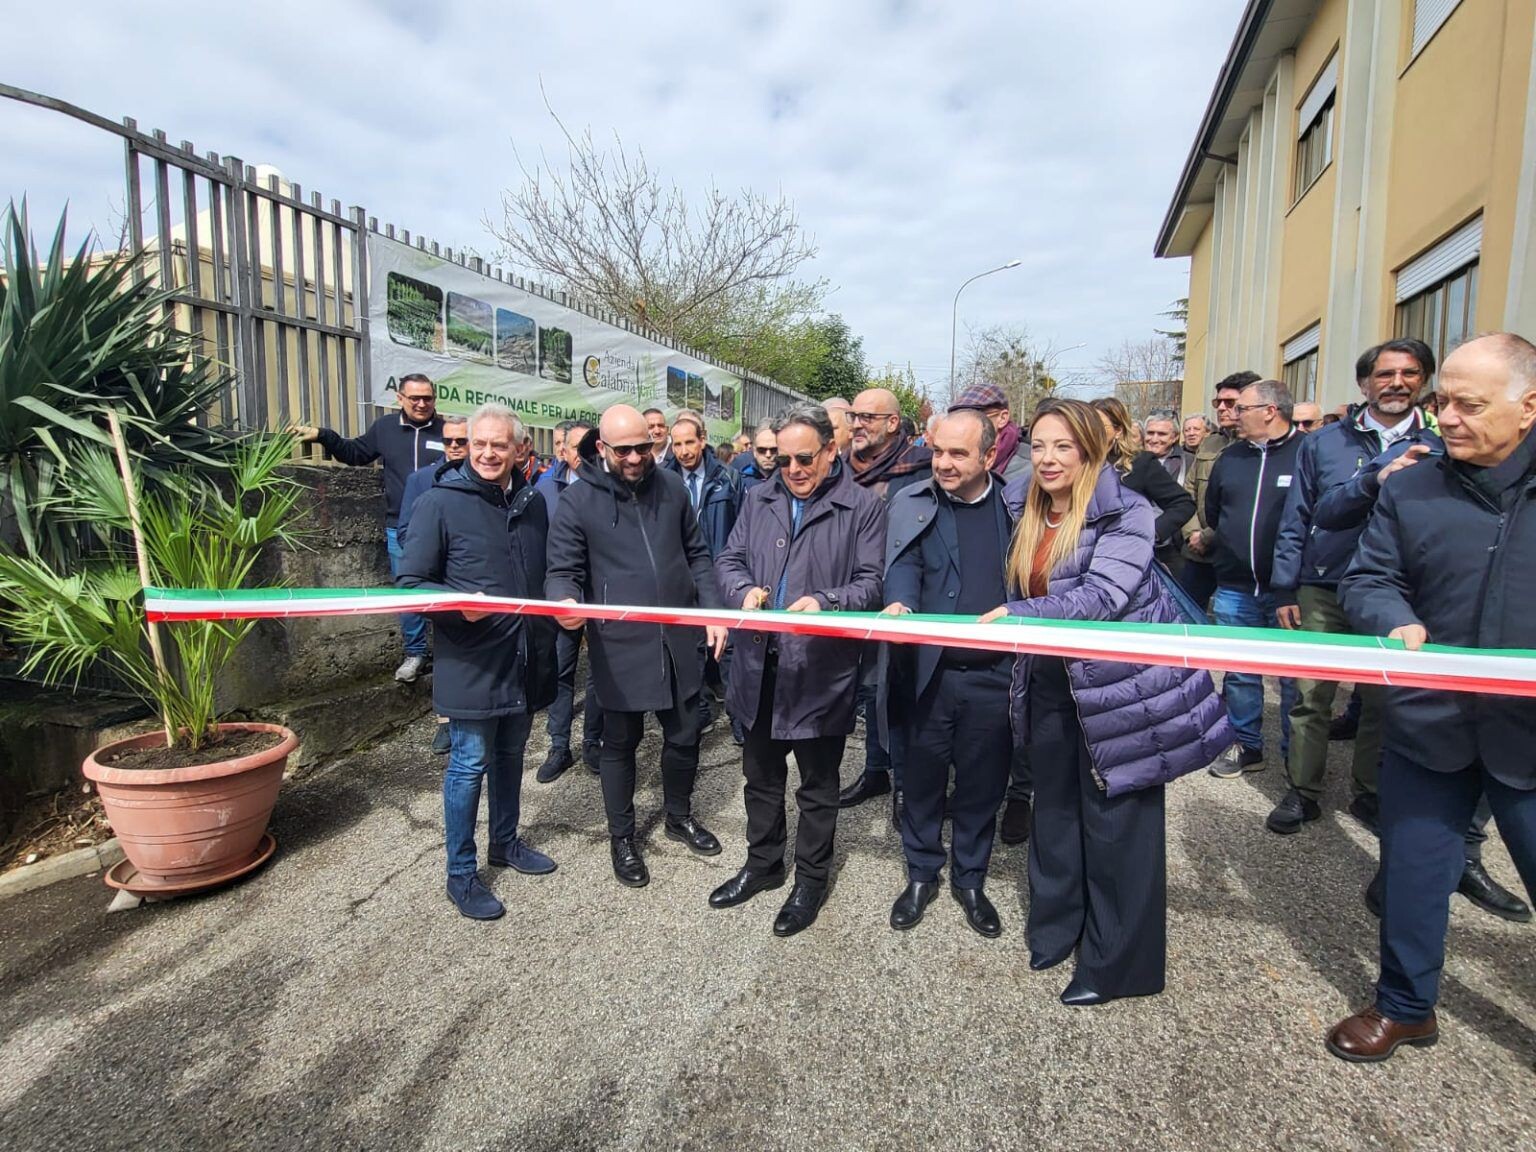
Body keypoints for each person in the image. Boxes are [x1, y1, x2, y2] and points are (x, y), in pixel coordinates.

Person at [1327, 333, 1536, 1063]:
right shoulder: (1413, 485)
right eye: (1442, 400)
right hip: (1431, 721)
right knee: (1412, 877)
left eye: (1469, 404)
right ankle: (1405, 1007)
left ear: (1528, 406)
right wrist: (1393, 620)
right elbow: (1366, 577)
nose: (1445, 416)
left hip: (1527, 733)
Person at [981, 398, 1231, 1004]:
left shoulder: (1128, 513)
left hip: (1122, 691)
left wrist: (1018, 615)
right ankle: (1057, 926)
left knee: (1119, 824)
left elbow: (1101, 596)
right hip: (1050, 681)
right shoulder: (1020, 506)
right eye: (1038, 445)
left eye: (1063, 446)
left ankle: (1119, 965)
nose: (1047, 458)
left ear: (1091, 448)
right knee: (1056, 812)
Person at [711, 402, 885, 936]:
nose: (793, 470)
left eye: (805, 458)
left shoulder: (863, 507)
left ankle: (810, 880)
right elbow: (729, 559)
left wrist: (828, 601)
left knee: (817, 785)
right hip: (758, 664)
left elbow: (873, 581)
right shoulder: (758, 496)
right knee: (760, 778)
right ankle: (763, 865)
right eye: (782, 460)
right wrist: (743, 592)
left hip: (817, 670)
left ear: (832, 450)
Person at [545, 404, 727, 889]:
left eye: (643, 447)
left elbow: (698, 554)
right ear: (601, 448)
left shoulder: (670, 488)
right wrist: (563, 600)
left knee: (685, 735)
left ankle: (678, 815)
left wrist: (711, 612)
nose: (634, 458)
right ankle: (622, 837)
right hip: (619, 644)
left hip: (679, 638)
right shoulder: (578, 500)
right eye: (622, 449)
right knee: (620, 745)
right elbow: (562, 570)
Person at [1269, 340, 1441, 835]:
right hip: (1323, 586)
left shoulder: (1439, 443)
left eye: (1409, 373)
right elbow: (1300, 516)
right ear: (1365, 383)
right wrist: (1286, 589)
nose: (1397, 383)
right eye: (1385, 374)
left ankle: (1370, 792)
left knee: (1383, 701)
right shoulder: (1324, 443)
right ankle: (1302, 791)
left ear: (1423, 380)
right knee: (1309, 695)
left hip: (1399, 593)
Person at [394, 403, 559, 920]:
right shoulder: (439, 503)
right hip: (472, 661)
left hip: (525, 656)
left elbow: (542, 574)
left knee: (512, 758)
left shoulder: (532, 502)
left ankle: (505, 843)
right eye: (479, 444)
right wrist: (454, 605)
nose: (489, 453)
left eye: (500, 445)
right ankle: (460, 873)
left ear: (518, 449)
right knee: (468, 765)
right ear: (464, 446)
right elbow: (411, 584)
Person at [881, 409, 1015, 937]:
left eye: (959, 453)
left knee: (983, 782)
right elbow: (903, 566)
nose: (943, 463)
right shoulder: (910, 502)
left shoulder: (1016, 506)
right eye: (938, 451)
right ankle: (920, 873)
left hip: (995, 674)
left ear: (988, 456)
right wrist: (899, 605)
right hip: (927, 673)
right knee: (921, 780)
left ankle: (971, 878)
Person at [291, 373, 445, 683]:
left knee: (448, 590)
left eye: (427, 397)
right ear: (399, 398)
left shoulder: (447, 431)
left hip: (444, 525)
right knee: (408, 593)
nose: (421, 403)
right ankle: (415, 653)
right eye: (414, 397)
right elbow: (356, 453)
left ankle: (450, 655)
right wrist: (324, 435)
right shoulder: (385, 428)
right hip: (400, 526)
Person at [840, 387, 933, 820]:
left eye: (868, 418)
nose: (857, 424)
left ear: (893, 424)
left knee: (892, 692)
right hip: (849, 595)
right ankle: (875, 770)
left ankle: (902, 782)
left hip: (899, 600)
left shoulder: (918, 472)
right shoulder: (840, 469)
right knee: (865, 688)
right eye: (854, 416)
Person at [1202, 378, 1302, 776]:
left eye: (1241, 409)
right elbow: (1214, 511)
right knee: (1241, 673)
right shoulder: (1231, 457)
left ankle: (1298, 757)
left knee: (1295, 679)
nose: (1232, 415)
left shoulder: (1306, 454)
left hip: (1289, 593)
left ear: (1269, 411)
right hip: (1236, 586)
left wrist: (1289, 583)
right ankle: (1246, 745)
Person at [665, 411, 745, 737]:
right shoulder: (663, 480)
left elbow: (742, 528)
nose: (684, 451)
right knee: (690, 650)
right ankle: (698, 713)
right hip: (681, 577)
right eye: (677, 444)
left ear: (702, 440)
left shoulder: (728, 478)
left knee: (729, 651)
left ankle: (740, 720)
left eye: (689, 442)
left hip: (720, 576)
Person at [533, 420, 603, 781]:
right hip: (562, 600)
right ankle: (559, 746)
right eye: (573, 447)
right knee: (560, 672)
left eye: (586, 447)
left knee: (597, 674)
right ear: (562, 451)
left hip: (599, 599)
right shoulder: (545, 489)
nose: (580, 455)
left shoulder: (608, 488)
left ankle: (593, 741)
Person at [398, 413, 470, 756]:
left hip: (470, 581)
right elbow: (404, 529)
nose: (455, 447)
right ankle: (444, 721)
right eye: (449, 441)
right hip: (438, 581)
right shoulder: (421, 479)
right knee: (441, 650)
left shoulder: (487, 477)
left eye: (462, 441)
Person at [1090, 398, 1196, 580]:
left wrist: (1148, 533)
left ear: (1118, 430)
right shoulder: (1074, 462)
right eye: (1087, 425)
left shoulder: (1139, 463)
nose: (1092, 432)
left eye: (1100, 426)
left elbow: (1183, 504)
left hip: (1122, 563)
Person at [1179, 371, 1258, 606]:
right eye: (1218, 402)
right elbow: (1188, 490)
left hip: (1236, 555)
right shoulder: (1210, 442)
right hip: (1197, 552)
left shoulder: (1257, 447)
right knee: (1184, 613)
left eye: (1230, 402)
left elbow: (1244, 504)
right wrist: (1192, 534)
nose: (1222, 408)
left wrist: (1207, 536)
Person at [950, 381, 1030, 482]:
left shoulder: (1031, 465)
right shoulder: (948, 461)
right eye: (958, 417)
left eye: (975, 416)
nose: (965, 424)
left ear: (1002, 418)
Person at [1142, 411, 1187, 484]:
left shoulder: (1188, 462)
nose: (1154, 440)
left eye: (1161, 434)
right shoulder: (1130, 461)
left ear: (1175, 437)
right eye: (1150, 433)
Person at [738, 421, 779, 491]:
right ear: (754, 451)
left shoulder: (789, 480)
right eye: (762, 450)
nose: (768, 455)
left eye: (773, 450)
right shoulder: (740, 479)